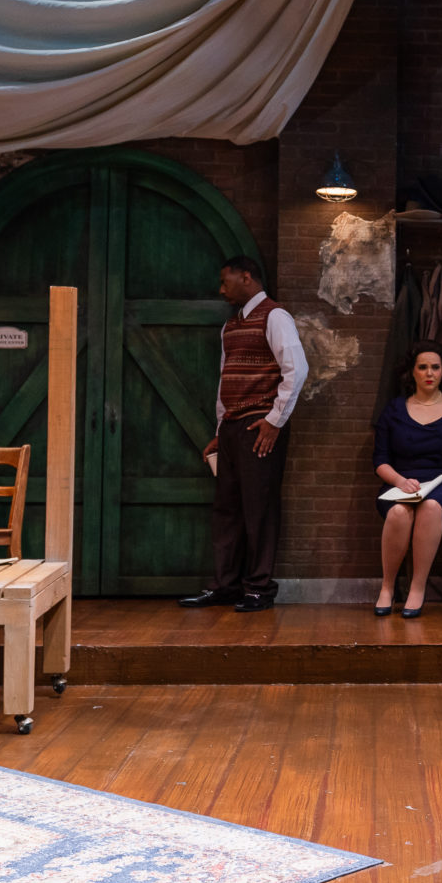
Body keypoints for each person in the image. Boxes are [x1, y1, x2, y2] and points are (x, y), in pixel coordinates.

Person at [179, 256, 307, 614]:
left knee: (259, 509)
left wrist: (274, 421)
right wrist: (221, 431)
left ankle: (259, 589)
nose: (221, 289)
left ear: (246, 277)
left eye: (226, 281)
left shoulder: (275, 316)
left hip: (259, 426)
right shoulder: (231, 326)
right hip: (233, 427)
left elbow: (296, 370)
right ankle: (225, 586)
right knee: (227, 509)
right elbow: (225, 381)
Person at [371, 341, 442, 619]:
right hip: (402, 484)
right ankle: (387, 587)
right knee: (399, 512)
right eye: (422, 367)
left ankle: (417, 587)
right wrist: (400, 481)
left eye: (435, 367)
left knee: (430, 507)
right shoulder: (394, 409)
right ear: (412, 372)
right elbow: (380, 461)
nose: (429, 373)